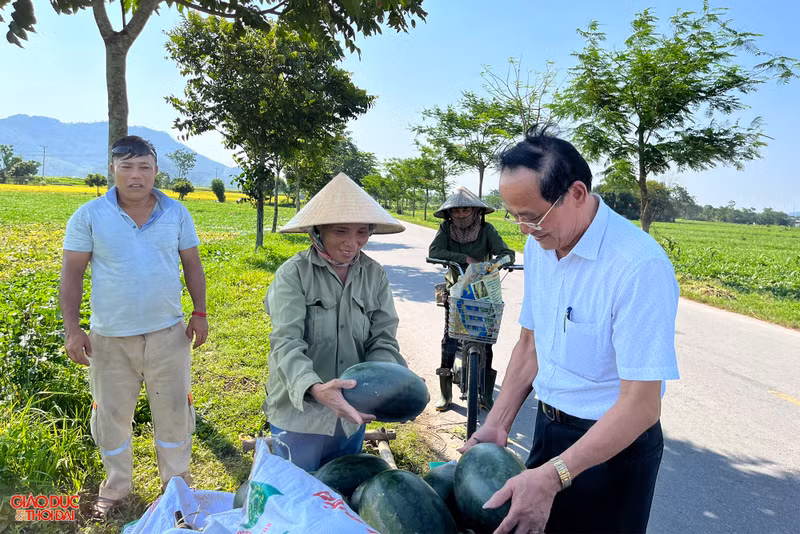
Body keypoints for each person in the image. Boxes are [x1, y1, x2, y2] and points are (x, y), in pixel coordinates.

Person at [461, 128, 680, 534]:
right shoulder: (540, 245)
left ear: (577, 192)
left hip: (614, 449)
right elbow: (531, 345)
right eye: (515, 217)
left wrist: (553, 476)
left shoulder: (637, 266)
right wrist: (499, 421)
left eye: (533, 216)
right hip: (549, 430)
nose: (525, 229)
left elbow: (641, 405)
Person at [59, 135, 207, 520]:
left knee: (174, 413)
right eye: (127, 167)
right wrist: (73, 330)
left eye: (144, 167)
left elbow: (191, 264)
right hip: (110, 339)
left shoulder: (176, 214)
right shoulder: (89, 215)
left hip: (168, 335)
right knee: (111, 416)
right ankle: (116, 487)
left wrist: (200, 312)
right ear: (114, 170)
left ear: (156, 170)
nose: (136, 175)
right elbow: (71, 275)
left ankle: (175, 484)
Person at [263, 173, 407, 472]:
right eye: (341, 231)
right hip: (299, 413)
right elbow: (286, 342)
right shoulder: (294, 274)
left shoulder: (374, 274)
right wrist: (315, 387)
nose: (352, 243)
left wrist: (383, 385)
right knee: (298, 496)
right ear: (317, 231)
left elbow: (383, 338)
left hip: (350, 414)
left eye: (362, 232)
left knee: (339, 492)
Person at [428, 187, 515, 412]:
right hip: (455, 291)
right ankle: (445, 393)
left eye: (465, 209)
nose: (461, 215)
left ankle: (486, 394)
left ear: (476, 211)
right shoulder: (446, 229)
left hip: (482, 293)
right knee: (450, 338)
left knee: (486, 340)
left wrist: (496, 264)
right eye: (456, 211)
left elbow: (507, 253)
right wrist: (463, 258)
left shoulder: (487, 230)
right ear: (449, 214)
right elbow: (435, 250)